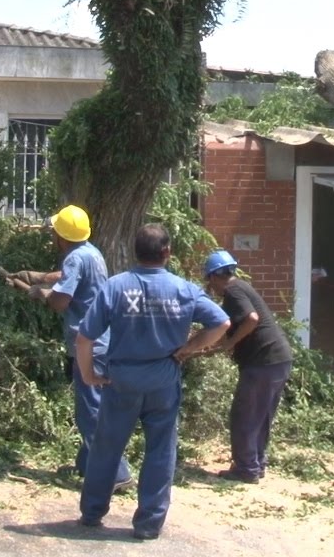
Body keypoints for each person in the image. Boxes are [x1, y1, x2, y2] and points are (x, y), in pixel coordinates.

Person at [74, 223, 230, 541]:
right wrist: (189, 348)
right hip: (163, 381)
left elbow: (84, 337)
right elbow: (222, 322)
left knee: (107, 446)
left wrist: (89, 374)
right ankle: (148, 523)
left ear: (136, 252)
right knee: (160, 450)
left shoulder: (116, 287)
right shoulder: (184, 290)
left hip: (122, 382)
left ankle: (92, 513)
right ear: (167, 253)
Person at [19, 205, 134, 492]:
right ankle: (86, 464)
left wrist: (39, 293)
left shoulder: (74, 258)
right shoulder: (91, 253)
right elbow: (71, 276)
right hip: (103, 342)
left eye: (55, 231)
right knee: (94, 406)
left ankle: (117, 474)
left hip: (88, 345)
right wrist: (39, 276)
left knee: (91, 411)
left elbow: (61, 302)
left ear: (62, 236)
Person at [201, 250, 294, 484]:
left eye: (209, 281)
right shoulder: (241, 287)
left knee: (244, 415)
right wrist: (208, 348)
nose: (211, 287)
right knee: (260, 415)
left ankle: (246, 469)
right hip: (278, 359)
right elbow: (233, 327)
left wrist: (231, 343)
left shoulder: (232, 291)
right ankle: (256, 463)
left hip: (263, 361)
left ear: (214, 277)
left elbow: (251, 319)